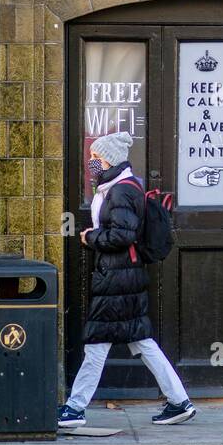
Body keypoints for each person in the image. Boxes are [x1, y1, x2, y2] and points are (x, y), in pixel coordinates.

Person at [57, 131, 196, 428]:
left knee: (97, 342)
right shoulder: (116, 187)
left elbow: (122, 235)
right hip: (121, 274)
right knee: (141, 341)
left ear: (109, 160)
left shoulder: (121, 190)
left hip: (117, 277)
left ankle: (74, 409)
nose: (91, 163)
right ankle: (179, 401)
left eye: (96, 158)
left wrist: (89, 237)